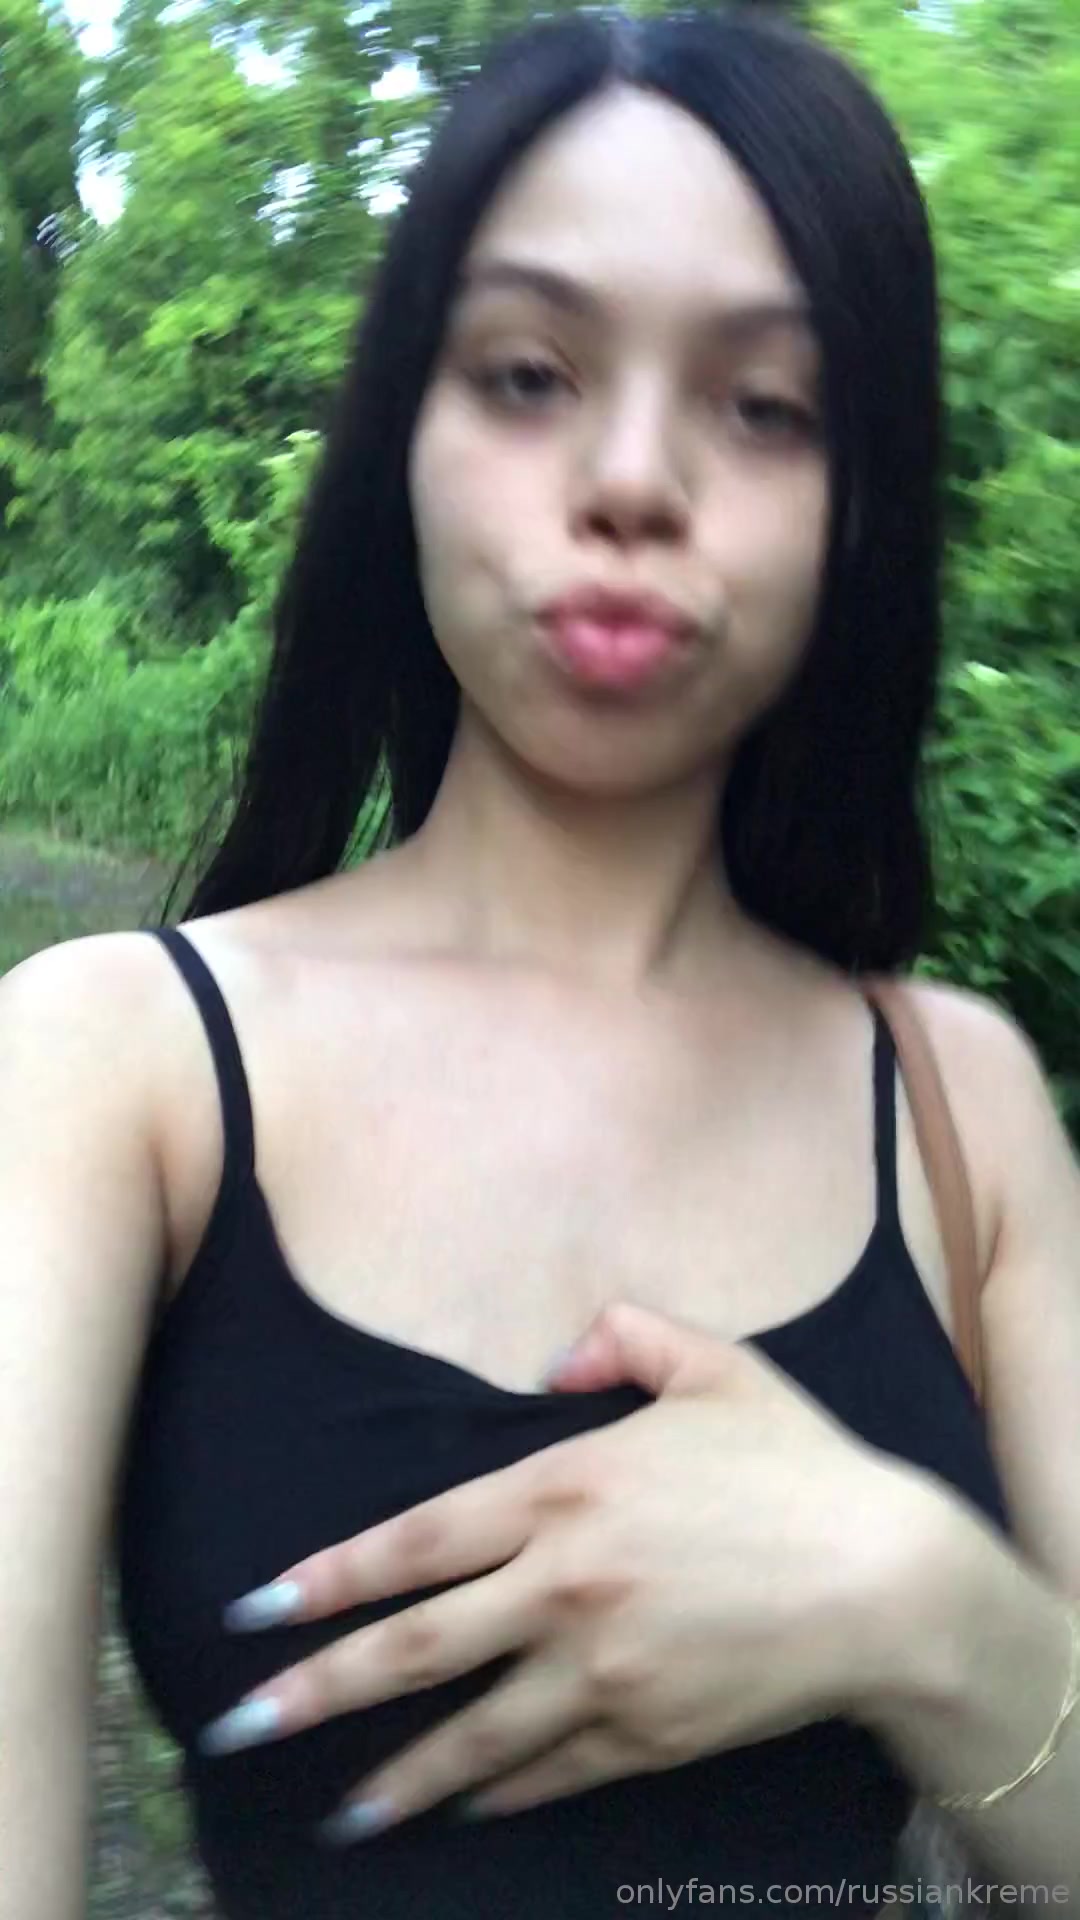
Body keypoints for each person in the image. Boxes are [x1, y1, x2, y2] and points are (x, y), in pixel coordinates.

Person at [2, 7, 1078, 1918]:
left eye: (767, 406)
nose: (633, 479)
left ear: (862, 507)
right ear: (401, 442)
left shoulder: (961, 1106)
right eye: (526, 374)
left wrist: (926, 1602)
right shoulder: (109, 1064)